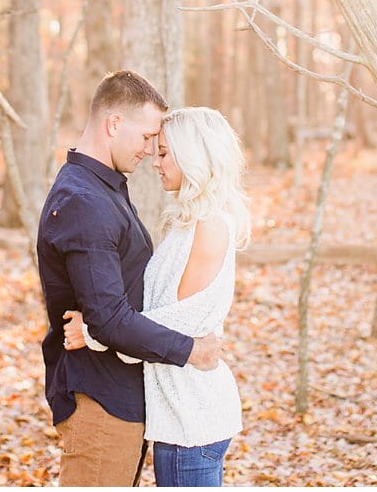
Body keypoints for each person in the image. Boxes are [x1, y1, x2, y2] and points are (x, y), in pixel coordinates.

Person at [37, 71, 223, 487]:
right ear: (114, 124)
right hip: (101, 402)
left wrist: (98, 326)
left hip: (122, 396)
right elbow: (108, 317)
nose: (150, 151)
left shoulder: (105, 189)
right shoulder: (85, 201)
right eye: (145, 137)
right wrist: (191, 350)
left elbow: (110, 306)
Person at [63, 106, 251, 488]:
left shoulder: (210, 227)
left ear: (193, 156)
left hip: (191, 421)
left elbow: (173, 330)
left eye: (164, 152)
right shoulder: (188, 222)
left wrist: (95, 331)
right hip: (179, 414)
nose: (154, 161)